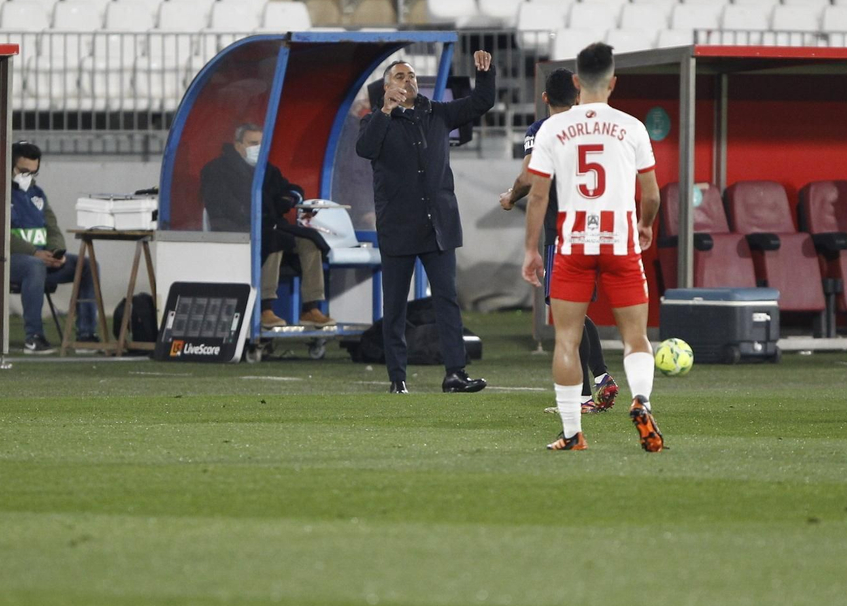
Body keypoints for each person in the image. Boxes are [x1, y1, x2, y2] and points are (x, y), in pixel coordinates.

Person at [521, 42, 662, 452]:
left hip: (574, 242)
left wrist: (532, 250)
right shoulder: (632, 126)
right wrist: (646, 226)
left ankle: (571, 433)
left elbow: (539, 196)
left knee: (566, 338)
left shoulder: (552, 129)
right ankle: (641, 399)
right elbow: (650, 195)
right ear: (613, 83)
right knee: (636, 337)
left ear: (577, 82)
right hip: (619, 239)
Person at [355, 52, 496, 394]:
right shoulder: (376, 121)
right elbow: (365, 148)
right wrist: (386, 111)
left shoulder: (438, 113)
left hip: (438, 225)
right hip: (399, 225)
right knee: (395, 307)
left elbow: (482, 101)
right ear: (387, 87)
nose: (408, 81)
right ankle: (397, 377)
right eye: (400, 77)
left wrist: (485, 72)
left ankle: (455, 374)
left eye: (412, 75)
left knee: (446, 300)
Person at [501, 67, 619, 413]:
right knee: (575, 311)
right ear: (579, 95)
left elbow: (528, 177)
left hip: (562, 231)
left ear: (545, 98)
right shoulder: (596, 128)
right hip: (596, 227)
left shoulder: (544, 130)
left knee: (567, 315)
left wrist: (511, 197)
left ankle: (584, 396)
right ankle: (600, 378)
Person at [0, 141, 98, 354]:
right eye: (23, 171)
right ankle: (34, 338)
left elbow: (51, 226)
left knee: (87, 265)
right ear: (7, 165)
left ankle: (86, 335)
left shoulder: (36, 193)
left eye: (33, 173)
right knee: (34, 266)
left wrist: (57, 252)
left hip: (40, 261)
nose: (27, 177)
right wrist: (34, 253)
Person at [199, 122, 333, 330]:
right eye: (253, 143)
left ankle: (311, 308)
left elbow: (292, 189)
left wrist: (288, 199)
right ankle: (265, 307)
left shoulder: (266, 170)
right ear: (238, 146)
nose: (258, 148)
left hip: (269, 226)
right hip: (236, 230)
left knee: (309, 242)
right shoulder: (216, 169)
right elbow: (222, 205)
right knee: (273, 240)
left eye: (262, 143)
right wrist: (254, 215)